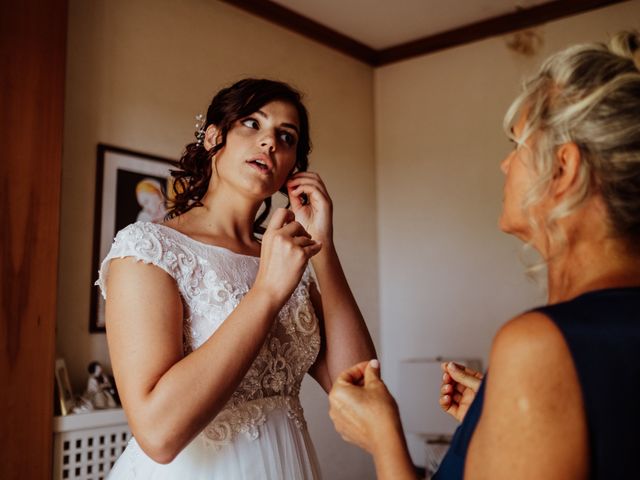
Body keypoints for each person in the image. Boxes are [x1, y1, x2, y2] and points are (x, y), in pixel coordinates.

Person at [328, 30, 640, 480]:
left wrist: (382, 439)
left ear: (564, 168)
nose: (505, 165)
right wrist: (499, 422)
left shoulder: (540, 345)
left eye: (517, 146)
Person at [97, 78, 375, 479]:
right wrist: (266, 293)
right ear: (213, 137)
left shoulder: (286, 256)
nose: (270, 143)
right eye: (252, 123)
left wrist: (323, 248)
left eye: (286, 136)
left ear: (292, 169)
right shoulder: (147, 248)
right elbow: (158, 434)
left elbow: (362, 395)